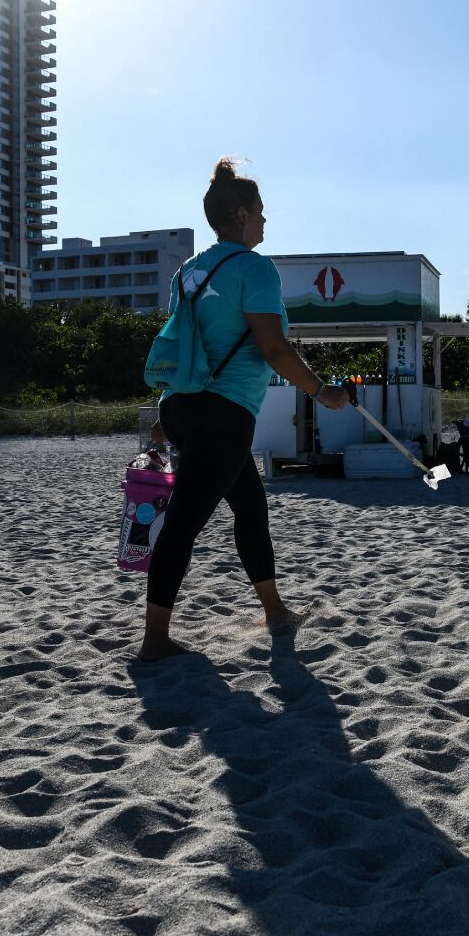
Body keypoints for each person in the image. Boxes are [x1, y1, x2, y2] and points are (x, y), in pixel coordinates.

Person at [139, 157, 349, 662]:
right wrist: (323, 393)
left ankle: (275, 610)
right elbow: (274, 349)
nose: (263, 221)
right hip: (223, 413)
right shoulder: (255, 268)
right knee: (185, 521)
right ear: (238, 215)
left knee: (251, 507)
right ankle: (154, 641)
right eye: (259, 212)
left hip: (182, 407)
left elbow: (184, 345)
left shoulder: (189, 271)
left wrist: (165, 424)